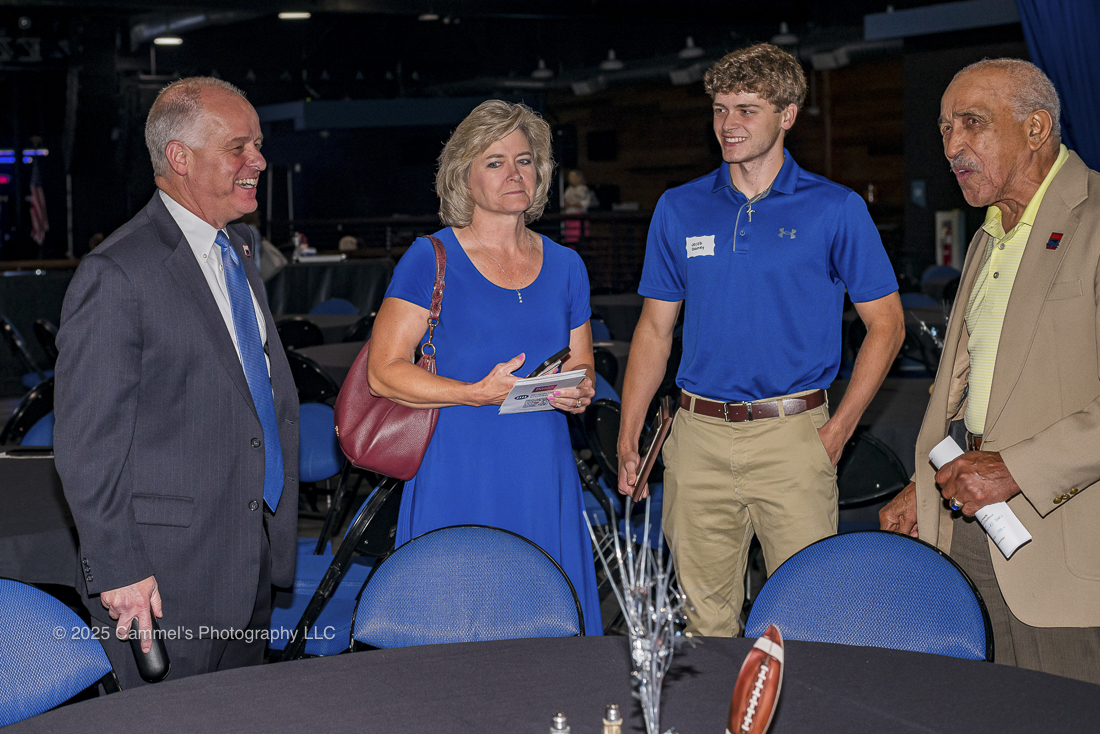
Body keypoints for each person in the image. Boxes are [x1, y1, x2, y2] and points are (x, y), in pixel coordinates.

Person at [617, 43, 903, 637]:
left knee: (805, 621)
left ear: (787, 115)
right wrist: (629, 432)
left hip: (794, 436)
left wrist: (838, 430)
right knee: (703, 626)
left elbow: (888, 325)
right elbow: (654, 329)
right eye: (720, 109)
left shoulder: (835, 208)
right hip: (696, 438)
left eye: (747, 109)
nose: (729, 124)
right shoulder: (679, 207)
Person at [54, 77, 298, 687]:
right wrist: (119, 569)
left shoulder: (239, 248)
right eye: (238, 147)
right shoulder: (117, 272)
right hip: (163, 581)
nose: (258, 161)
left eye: (258, 145)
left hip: (247, 556)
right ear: (179, 158)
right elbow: (87, 445)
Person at [880, 59, 1100, 683]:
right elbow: (970, 394)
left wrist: (1015, 470)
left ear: (1036, 128)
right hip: (970, 535)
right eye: (945, 128)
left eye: (972, 123)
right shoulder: (989, 236)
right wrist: (926, 486)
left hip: (1066, 549)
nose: (952, 146)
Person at [366, 100, 602, 632]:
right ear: (464, 177)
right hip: (458, 467)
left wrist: (579, 390)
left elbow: (581, 364)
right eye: (495, 162)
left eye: (525, 160)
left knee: (545, 633)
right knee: (457, 631)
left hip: (542, 469)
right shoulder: (430, 257)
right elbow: (382, 372)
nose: (514, 173)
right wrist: (474, 391)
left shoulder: (568, 265)